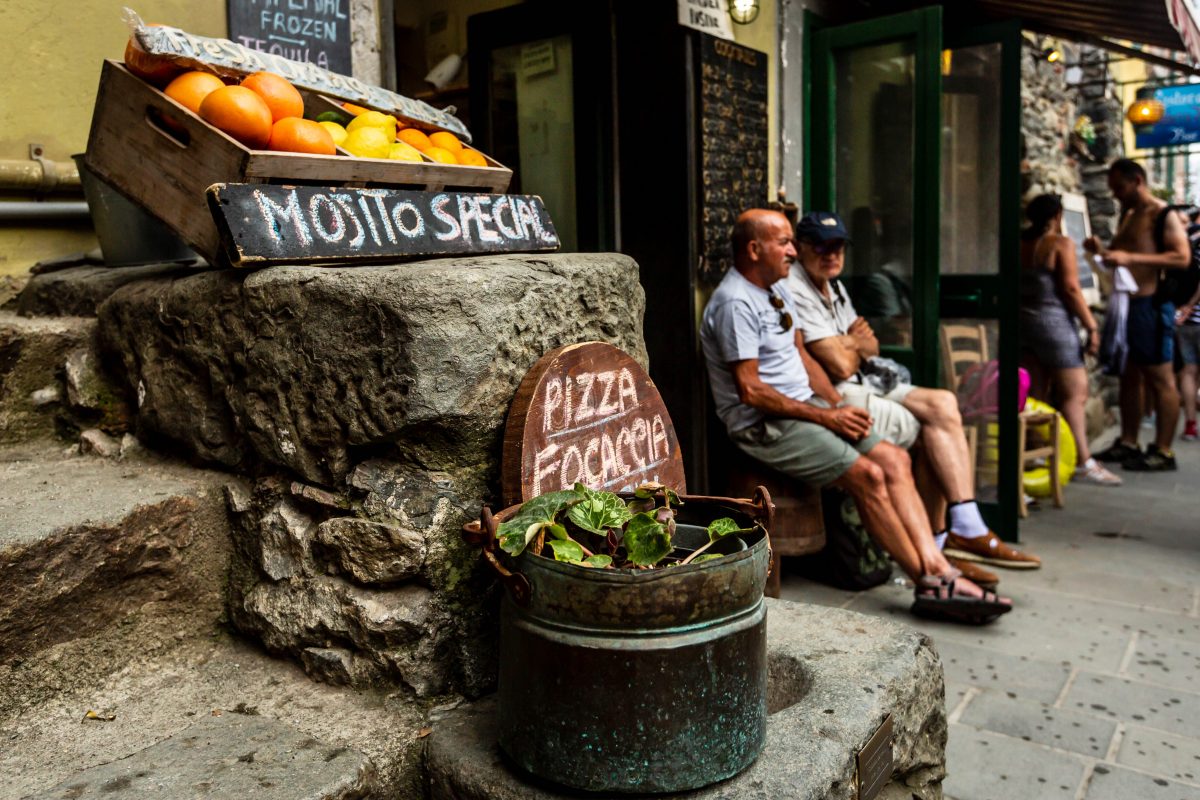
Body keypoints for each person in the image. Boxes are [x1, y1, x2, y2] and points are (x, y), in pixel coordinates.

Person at [700, 208, 1011, 623]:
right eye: (785, 242)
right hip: (764, 425)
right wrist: (826, 418)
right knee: (869, 476)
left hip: (808, 409)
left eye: (793, 241)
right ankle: (931, 580)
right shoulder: (735, 302)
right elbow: (751, 391)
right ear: (754, 249)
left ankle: (939, 566)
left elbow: (801, 358)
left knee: (896, 459)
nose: (793, 250)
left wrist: (834, 405)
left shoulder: (776, 289)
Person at [785, 211, 1042, 572]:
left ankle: (967, 522)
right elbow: (840, 366)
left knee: (944, 402)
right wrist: (855, 342)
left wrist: (851, 344)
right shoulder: (796, 286)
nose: (832, 254)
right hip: (837, 391)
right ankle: (938, 545)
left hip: (865, 380)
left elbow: (870, 347)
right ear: (799, 248)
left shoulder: (834, 285)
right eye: (821, 246)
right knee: (928, 435)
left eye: (838, 246)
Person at [1087, 159, 1191, 470]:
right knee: (1129, 375)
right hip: (1126, 306)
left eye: (1119, 187)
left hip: (1151, 306)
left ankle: (1162, 450)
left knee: (1160, 378)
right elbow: (1122, 258)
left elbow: (1181, 256)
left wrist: (1129, 256)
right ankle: (1129, 441)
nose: (1115, 195)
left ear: (1137, 181)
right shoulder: (1128, 214)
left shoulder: (1162, 214)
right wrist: (1101, 251)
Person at [1018, 194, 1122, 486]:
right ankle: (1083, 460)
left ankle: (1037, 455)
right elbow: (1071, 289)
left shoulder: (1020, 244)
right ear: (1057, 216)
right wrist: (1092, 327)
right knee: (1075, 394)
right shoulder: (1059, 244)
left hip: (1025, 326)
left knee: (1036, 396)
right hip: (1055, 326)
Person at [1172, 205, 1200, 442]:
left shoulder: (1189, 247)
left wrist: (1185, 308)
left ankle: (1190, 425)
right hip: (1191, 313)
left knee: (1188, 372)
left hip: (1184, 319)